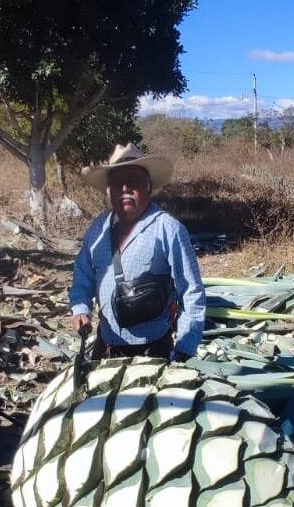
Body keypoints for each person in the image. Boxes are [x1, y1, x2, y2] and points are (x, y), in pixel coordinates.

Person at [69, 143, 206, 362]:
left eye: (133, 183)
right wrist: (80, 308)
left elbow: (191, 290)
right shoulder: (98, 227)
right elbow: (83, 274)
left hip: (154, 350)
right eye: (117, 184)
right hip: (106, 345)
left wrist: (185, 348)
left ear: (149, 187)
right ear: (108, 190)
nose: (125, 189)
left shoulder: (168, 229)